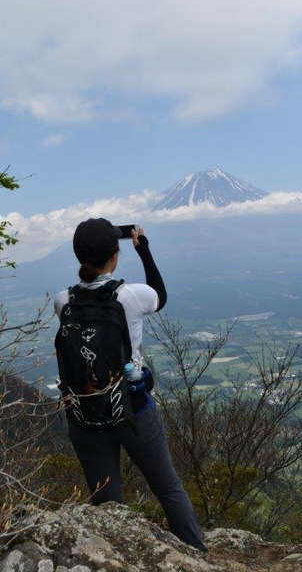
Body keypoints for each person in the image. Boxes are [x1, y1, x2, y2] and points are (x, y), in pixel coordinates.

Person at [54, 217, 206, 552]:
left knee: (107, 505)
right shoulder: (131, 296)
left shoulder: (63, 300)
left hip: (84, 416)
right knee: (167, 488)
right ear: (115, 253)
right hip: (133, 409)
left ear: (79, 255)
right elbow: (160, 295)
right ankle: (197, 555)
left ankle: (116, 558)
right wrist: (144, 251)